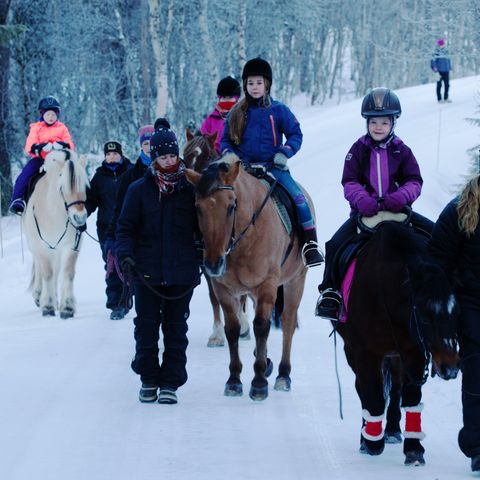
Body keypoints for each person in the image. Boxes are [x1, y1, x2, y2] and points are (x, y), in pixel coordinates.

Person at [316, 87, 433, 320]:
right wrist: (362, 200)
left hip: (397, 212)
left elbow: (414, 180)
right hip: (365, 213)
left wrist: (401, 197)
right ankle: (331, 293)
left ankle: (443, 288)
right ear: (367, 123)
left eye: (384, 122)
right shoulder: (357, 150)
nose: (378, 127)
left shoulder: (402, 150)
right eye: (373, 122)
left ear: (393, 123)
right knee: (335, 244)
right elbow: (349, 181)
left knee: (435, 233)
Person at [115, 119, 201, 404]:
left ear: (178, 156)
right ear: (155, 158)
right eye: (162, 156)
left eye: (172, 155)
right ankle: (149, 379)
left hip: (181, 273)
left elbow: (205, 228)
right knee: (146, 328)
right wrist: (125, 254)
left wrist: (202, 252)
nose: (168, 160)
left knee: (176, 329)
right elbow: (125, 227)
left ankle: (171, 384)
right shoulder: (138, 190)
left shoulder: (190, 190)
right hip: (146, 272)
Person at [220, 57, 323, 268]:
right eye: (250, 83)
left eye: (259, 82)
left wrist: (285, 152)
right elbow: (225, 140)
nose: (255, 87)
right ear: (245, 85)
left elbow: (296, 134)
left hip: (273, 168)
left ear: (267, 84)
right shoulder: (237, 112)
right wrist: (232, 156)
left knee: (299, 199)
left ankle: (310, 245)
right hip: (244, 171)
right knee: (221, 200)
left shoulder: (279, 110)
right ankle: (216, 246)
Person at [429, 175, 480, 473]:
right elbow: (439, 260)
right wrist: (445, 309)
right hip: (471, 303)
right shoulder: (460, 209)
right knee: (476, 372)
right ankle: (477, 445)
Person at [85, 141, 132, 320]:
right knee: (112, 264)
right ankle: (116, 304)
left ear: (121, 154)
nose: (112, 157)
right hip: (106, 228)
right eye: (108, 154)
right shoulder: (99, 177)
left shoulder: (131, 172)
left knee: (129, 263)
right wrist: (82, 218)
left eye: (115, 154)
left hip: (129, 226)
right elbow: (91, 201)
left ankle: (131, 295)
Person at [9, 96, 74, 215]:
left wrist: (62, 145)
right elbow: (29, 144)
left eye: (53, 114)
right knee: (24, 175)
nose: (51, 117)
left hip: (58, 159)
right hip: (40, 159)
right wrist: (39, 147)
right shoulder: (36, 128)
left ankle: (77, 199)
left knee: (73, 173)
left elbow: (70, 144)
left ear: (57, 115)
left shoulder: (62, 128)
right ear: (42, 114)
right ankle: (17, 200)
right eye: (48, 114)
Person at [105, 124, 155, 244]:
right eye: (145, 143)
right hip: (138, 236)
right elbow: (120, 208)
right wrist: (111, 237)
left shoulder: (169, 171)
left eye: (151, 143)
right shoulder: (130, 175)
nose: (149, 147)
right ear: (141, 146)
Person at [200, 76, 241, 154]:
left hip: (235, 157)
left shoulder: (241, 117)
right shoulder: (211, 119)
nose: (227, 100)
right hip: (215, 157)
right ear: (219, 98)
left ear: (236, 99)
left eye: (230, 97)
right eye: (224, 97)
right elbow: (203, 136)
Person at [431, 38, 452, 103]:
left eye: (443, 44)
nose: (442, 45)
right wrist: (435, 70)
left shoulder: (446, 51)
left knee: (447, 85)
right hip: (439, 72)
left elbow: (448, 60)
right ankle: (439, 99)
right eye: (441, 44)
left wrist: (450, 68)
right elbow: (433, 61)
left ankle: (446, 97)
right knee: (439, 85)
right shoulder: (436, 52)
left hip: (446, 71)